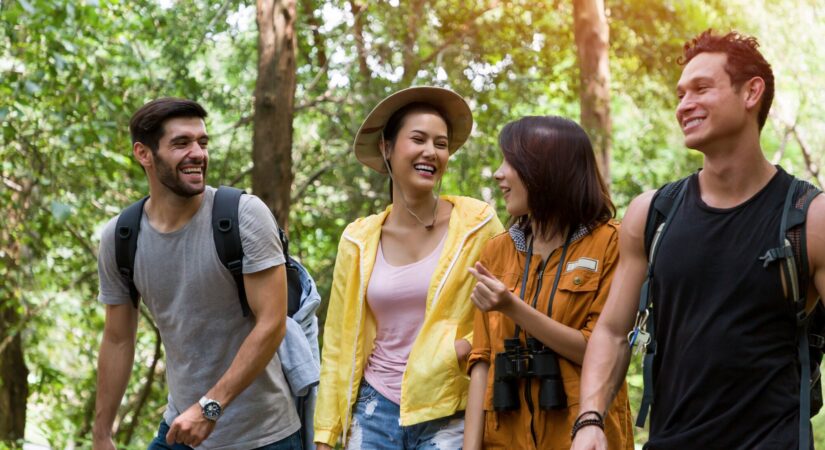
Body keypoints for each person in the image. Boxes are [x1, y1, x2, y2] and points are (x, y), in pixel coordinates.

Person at [572, 30, 825, 450]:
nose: (684, 105)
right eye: (680, 94)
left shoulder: (808, 219)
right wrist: (590, 419)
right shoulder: (652, 214)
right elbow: (614, 332)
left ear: (751, 93)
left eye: (701, 89)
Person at [92, 98, 301, 450]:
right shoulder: (121, 237)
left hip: (264, 436)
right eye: (181, 143)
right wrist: (101, 433)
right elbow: (117, 339)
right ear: (144, 154)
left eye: (202, 143)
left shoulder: (243, 216)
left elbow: (272, 323)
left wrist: (209, 408)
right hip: (181, 430)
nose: (197, 154)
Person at [313, 86, 503, 450]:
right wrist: (325, 435)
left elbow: (510, 306)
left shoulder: (478, 224)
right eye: (418, 139)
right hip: (374, 408)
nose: (431, 152)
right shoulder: (357, 239)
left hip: (450, 406)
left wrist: (462, 348)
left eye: (441, 143)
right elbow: (337, 342)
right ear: (387, 147)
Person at [463, 116, 634, 449]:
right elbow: (481, 361)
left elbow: (602, 349)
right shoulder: (497, 250)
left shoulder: (613, 243)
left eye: (510, 162)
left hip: (582, 439)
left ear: (545, 169)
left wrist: (512, 308)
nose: (499, 173)